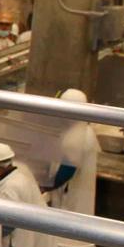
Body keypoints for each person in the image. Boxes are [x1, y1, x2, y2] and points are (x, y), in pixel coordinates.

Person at [48, 88, 100, 225]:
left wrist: (45, 186)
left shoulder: (77, 137)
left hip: (70, 197)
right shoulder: (84, 130)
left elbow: (66, 171)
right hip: (78, 195)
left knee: (68, 231)